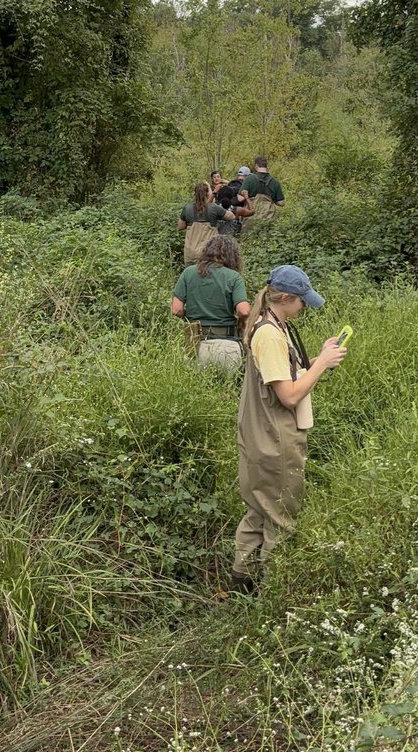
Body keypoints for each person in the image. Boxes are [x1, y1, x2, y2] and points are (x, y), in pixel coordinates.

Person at [231, 264, 347, 592]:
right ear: (285, 298)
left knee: (257, 513)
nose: (304, 307)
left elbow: (286, 374)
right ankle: (271, 594)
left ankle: (241, 586)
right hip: (274, 439)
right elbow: (290, 395)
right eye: (302, 302)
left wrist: (319, 357)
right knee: (280, 518)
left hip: (261, 435)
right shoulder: (269, 334)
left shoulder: (272, 324)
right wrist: (322, 366)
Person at [171, 235, 251, 371]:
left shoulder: (188, 273)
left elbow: (176, 310)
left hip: (195, 345)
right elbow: (243, 311)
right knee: (230, 390)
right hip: (228, 346)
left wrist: (191, 315)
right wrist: (242, 321)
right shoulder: (233, 277)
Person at [178, 180, 235, 265]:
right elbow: (232, 217)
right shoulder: (214, 208)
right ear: (208, 194)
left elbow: (180, 226)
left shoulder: (187, 208)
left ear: (195, 194)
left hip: (190, 253)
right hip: (208, 253)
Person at [239, 156, 285, 231]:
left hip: (251, 217)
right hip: (268, 218)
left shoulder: (249, 179)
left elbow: (239, 198)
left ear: (256, 166)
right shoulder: (274, 182)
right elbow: (282, 203)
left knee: (247, 238)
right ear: (266, 166)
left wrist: (247, 197)